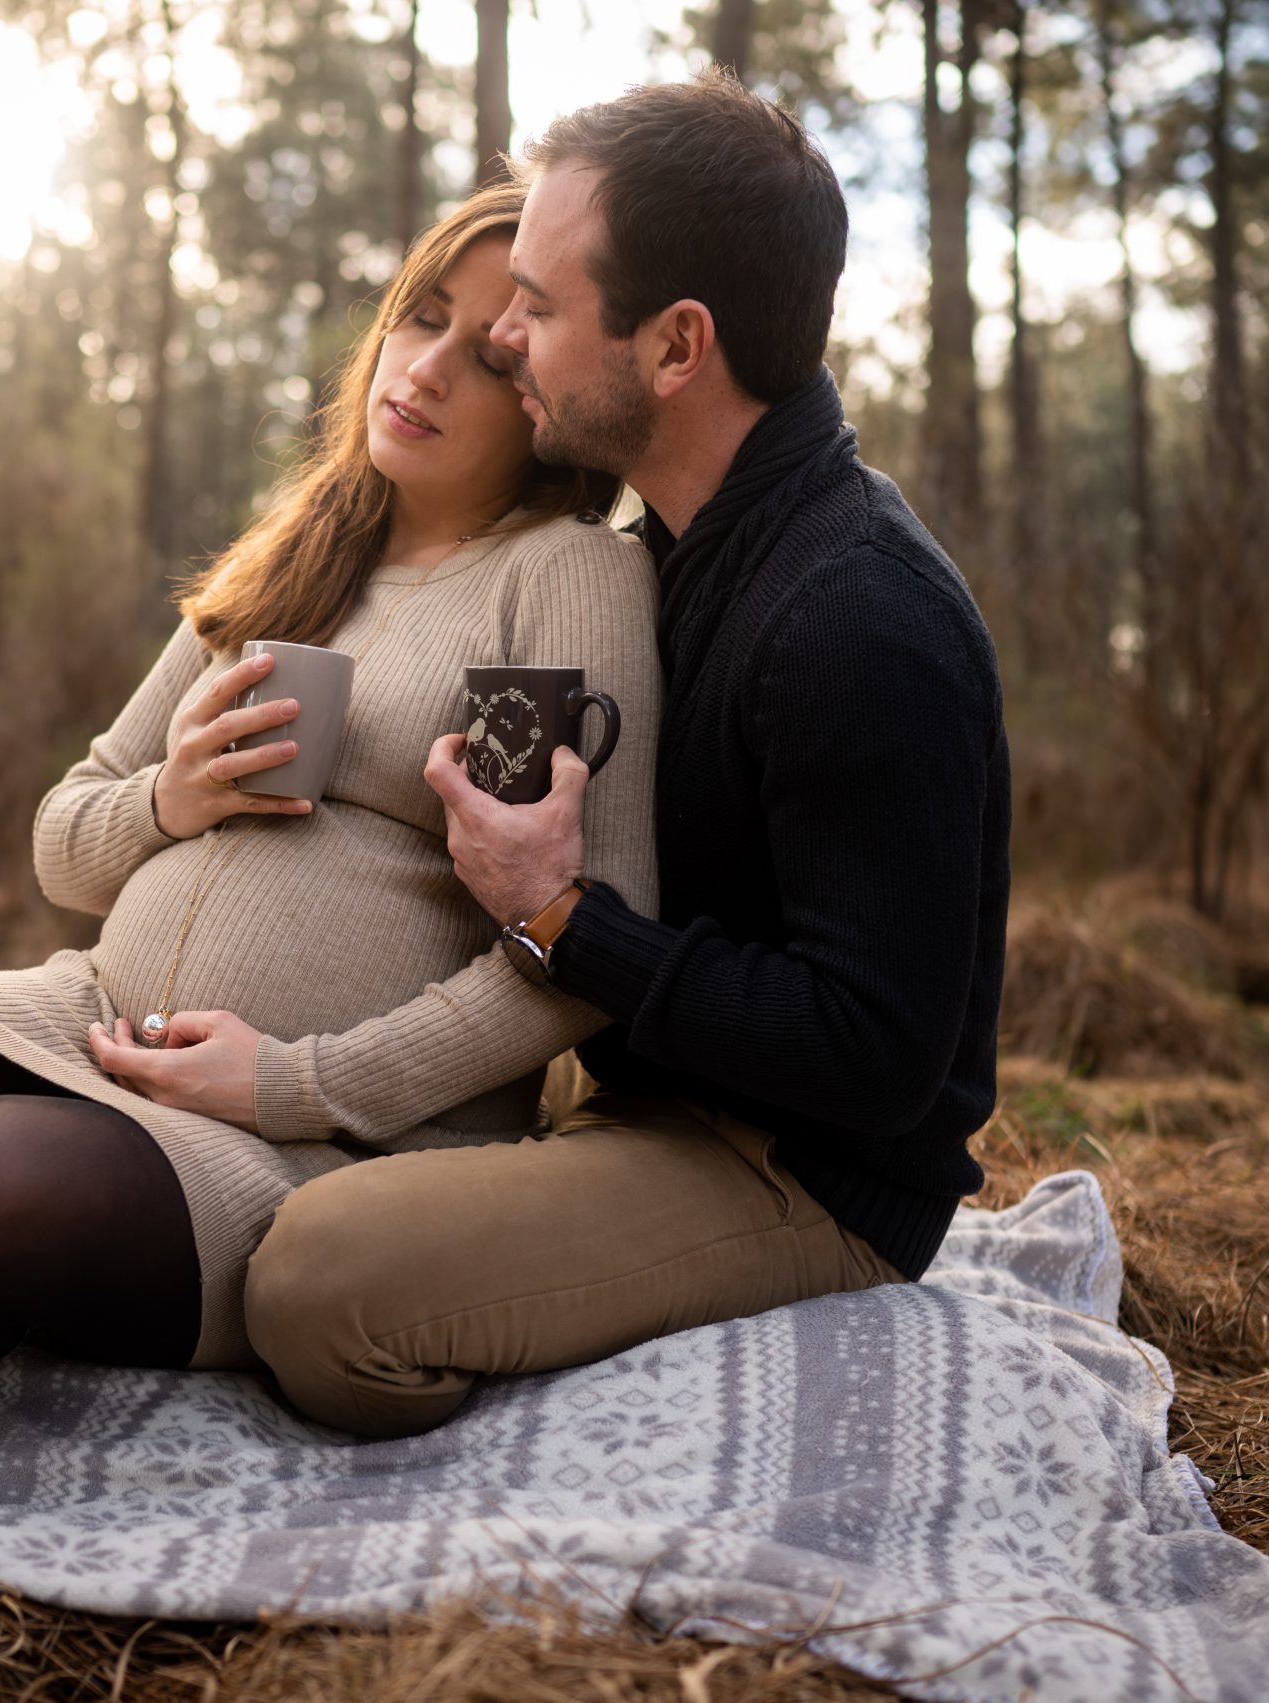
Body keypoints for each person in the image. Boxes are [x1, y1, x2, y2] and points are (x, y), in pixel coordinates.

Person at [0, 182, 663, 1391]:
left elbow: (570, 958)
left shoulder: (561, 575)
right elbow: (63, 844)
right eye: (418, 317)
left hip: (324, 1135)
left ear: (543, 402)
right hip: (97, 1018)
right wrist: (172, 797)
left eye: (487, 353)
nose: (422, 371)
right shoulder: (303, 548)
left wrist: (292, 1083)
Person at [242, 72, 1012, 1439]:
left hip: (799, 1176)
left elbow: (877, 1054)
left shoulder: (859, 613)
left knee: (317, 1276)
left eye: (537, 306)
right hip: (634, 1103)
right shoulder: (656, 556)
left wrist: (563, 920)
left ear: (675, 347)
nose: (507, 342)